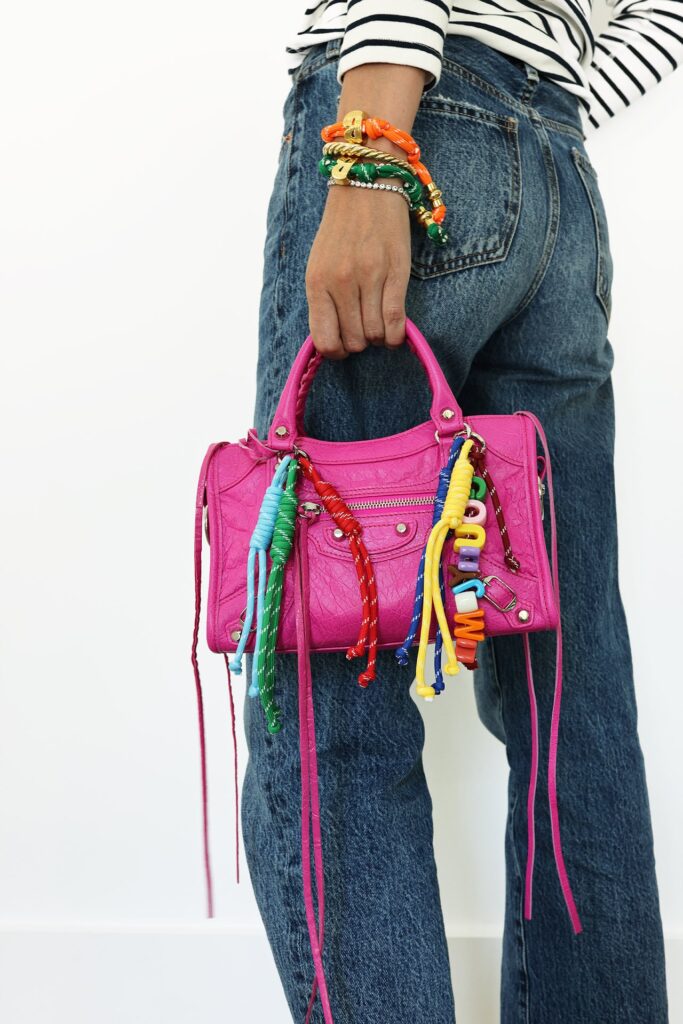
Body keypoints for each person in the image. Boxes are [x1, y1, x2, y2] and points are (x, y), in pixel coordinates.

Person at [241, 2, 680, 1020]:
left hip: (411, 120)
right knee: (571, 699)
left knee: (329, 687)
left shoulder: (387, 139)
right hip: (556, 179)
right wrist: (550, 89)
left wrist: (373, 149)